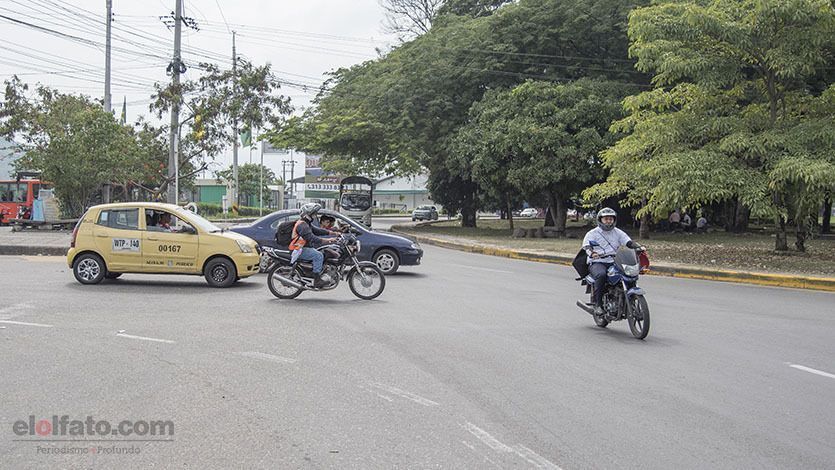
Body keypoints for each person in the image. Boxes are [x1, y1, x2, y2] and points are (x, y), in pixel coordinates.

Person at [581, 207, 643, 316]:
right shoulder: (593, 233)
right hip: (598, 262)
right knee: (601, 275)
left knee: (627, 274)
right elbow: (586, 246)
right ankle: (598, 304)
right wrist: (593, 253)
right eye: (606, 219)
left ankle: (628, 298)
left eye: (611, 219)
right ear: (600, 220)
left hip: (614, 260)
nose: (609, 221)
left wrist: (638, 247)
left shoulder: (618, 232)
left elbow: (628, 242)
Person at [288, 203, 340, 288]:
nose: (315, 216)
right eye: (313, 214)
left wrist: (333, 233)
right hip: (298, 249)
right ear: (307, 215)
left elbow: (317, 230)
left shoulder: (306, 223)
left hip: (303, 248)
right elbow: (312, 238)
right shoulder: (302, 225)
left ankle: (318, 272)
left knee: (323, 252)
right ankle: (317, 280)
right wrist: (328, 240)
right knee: (318, 256)